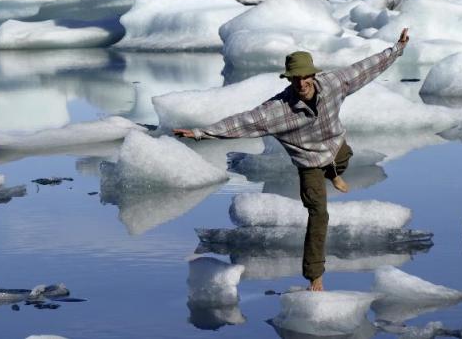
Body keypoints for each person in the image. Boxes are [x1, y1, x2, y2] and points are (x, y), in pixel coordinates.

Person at [174, 28, 410, 291]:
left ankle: (333, 173)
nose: (301, 83)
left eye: (305, 77)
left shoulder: (334, 83)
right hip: (308, 163)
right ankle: (315, 276)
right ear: (289, 80)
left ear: (313, 74)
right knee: (318, 214)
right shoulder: (276, 111)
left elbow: (366, 68)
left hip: (335, 147)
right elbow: (240, 123)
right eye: (294, 79)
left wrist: (397, 48)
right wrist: (199, 133)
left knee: (345, 156)